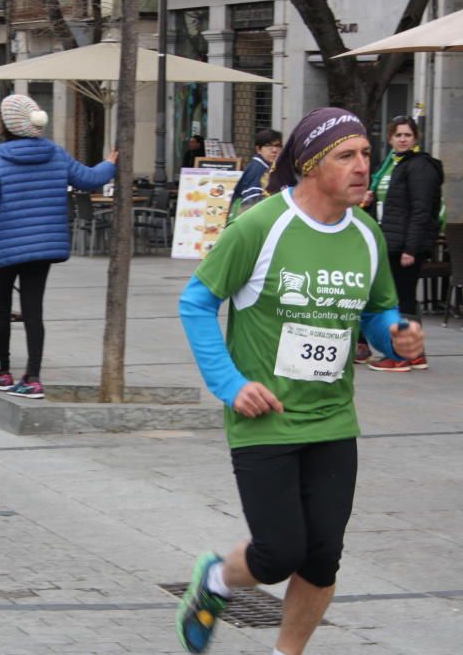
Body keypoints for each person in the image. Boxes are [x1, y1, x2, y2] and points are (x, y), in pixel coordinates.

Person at [174, 107, 423, 655]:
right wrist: (230, 383)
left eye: (365, 153)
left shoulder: (367, 235)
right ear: (311, 165)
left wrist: (395, 333)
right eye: (346, 156)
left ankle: (287, 652)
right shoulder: (261, 226)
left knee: (322, 555)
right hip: (264, 417)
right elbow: (196, 303)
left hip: (333, 417)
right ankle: (216, 579)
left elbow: (377, 313)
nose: (363, 166)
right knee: (279, 553)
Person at [0, 94, 117, 398]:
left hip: (4, 248)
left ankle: (2, 371)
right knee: (33, 311)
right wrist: (111, 163)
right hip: (42, 249)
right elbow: (90, 179)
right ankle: (34, 377)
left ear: (6, 124)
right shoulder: (57, 154)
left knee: (0, 311)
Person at [358, 116, 442, 372]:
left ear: (415, 138)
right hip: (390, 241)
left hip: (404, 245)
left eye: (407, 135)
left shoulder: (419, 166)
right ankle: (414, 354)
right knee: (396, 298)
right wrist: (369, 199)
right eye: (398, 135)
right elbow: (392, 206)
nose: (403, 139)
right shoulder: (390, 165)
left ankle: (401, 354)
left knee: (400, 300)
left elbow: (421, 209)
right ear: (390, 138)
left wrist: (411, 248)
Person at [229, 128, 282, 220]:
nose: (274, 150)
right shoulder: (257, 168)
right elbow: (250, 204)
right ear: (258, 149)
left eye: (277, 146)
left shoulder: (269, 167)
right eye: (268, 146)